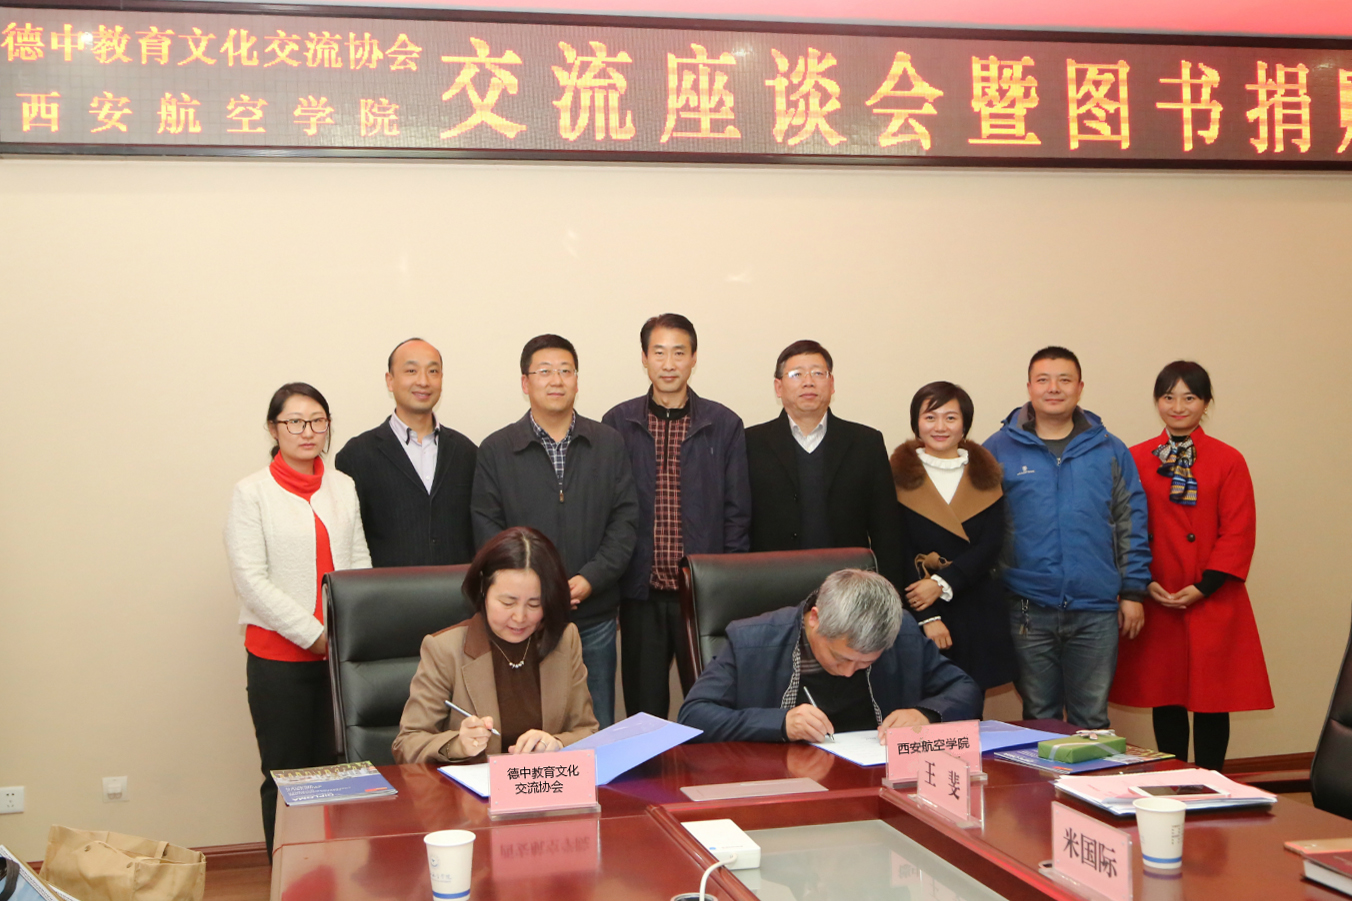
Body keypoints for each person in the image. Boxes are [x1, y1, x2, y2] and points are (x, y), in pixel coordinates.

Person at [224, 383, 371, 856]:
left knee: (339, 773)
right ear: (274, 429)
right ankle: (289, 877)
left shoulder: (343, 486)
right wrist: (313, 634)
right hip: (279, 659)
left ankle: (335, 871)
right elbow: (250, 579)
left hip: (340, 658)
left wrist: (350, 630)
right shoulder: (252, 493)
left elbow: (359, 560)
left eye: (317, 421)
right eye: (294, 421)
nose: (307, 431)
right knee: (287, 776)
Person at [1111, 361, 1273, 770]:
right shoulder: (1135, 458)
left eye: (1190, 397)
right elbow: (1122, 525)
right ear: (1157, 401)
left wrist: (1205, 586)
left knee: (1213, 698)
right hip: (1158, 593)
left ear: (1206, 403)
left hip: (1213, 596)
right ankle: (1174, 780)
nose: (1178, 406)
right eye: (1169, 397)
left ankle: (1212, 780)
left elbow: (1238, 530)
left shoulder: (1228, 459)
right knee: (1165, 695)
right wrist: (1142, 581)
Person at [471, 334, 638, 728]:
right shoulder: (496, 449)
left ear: (577, 380)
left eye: (566, 370)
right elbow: (487, 529)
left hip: (593, 615)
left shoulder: (608, 443)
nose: (556, 380)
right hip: (522, 619)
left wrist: (591, 578)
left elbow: (625, 520)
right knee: (525, 727)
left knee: (593, 726)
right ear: (525, 382)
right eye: (544, 371)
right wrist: (535, 589)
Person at [983, 347, 1150, 729]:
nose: (1053, 388)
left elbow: (1131, 520)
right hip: (1027, 607)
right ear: (1029, 387)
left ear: (1080, 387)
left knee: (1091, 719)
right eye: (1043, 380)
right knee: (1039, 719)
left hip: (1096, 609)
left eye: (1064, 380)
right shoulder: (998, 449)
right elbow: (982, 529)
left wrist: (1133, 592)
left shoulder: (1110, 449)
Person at [602, 314, 751, 719]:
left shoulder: (723, 424)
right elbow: (607, 511)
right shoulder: (617, 423)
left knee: (713, 708)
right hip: (640, 595)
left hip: (702, 597)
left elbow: (737, 515)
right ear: (644, 359)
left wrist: (727, 588)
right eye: (659, 353)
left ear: (694, 358)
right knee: (644, 713)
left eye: (679, 353)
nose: (669, 364)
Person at [677, 569, 982, 743]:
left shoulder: (902, 633)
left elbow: (966, 689)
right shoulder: (751, 640)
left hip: (875, 778)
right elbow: (694, 715)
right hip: (784, 783)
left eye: (865, 663)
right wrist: (779, 723)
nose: (849, 672)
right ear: (815, 619)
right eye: (840, 658)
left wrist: (925, 714)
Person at [393, 527, 600, 763]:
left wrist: (558, 744)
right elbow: (407, 744)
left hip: (541, 782)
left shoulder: (565, 640)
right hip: (472, 786)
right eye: (508, 603)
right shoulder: (445, 649)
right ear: (484, 591)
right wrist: (457, 745)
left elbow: (588, 732)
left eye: (534, 604)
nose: (520, 617)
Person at [745, 340, 905, 588]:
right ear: (778, 387)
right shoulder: (749, 443)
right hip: (772, 584)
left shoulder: (866, 442)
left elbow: (886, 528)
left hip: (848, 587)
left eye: (818, 373)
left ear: (831, 384)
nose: (808, 382)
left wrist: (889, 592)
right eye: (797, 374)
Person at [890, 382, 1016, 691]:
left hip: (976, 605)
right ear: (916, 423)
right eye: (930, 417)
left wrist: (943, 583)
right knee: (922, 702)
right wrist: (928, 616)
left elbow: (991, 544)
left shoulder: (986, 475)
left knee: (970, 700)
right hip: (918, 606)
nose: (940, 427)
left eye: (950, 418)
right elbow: (896, 549)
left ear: (964, 424)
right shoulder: (894, 478)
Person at [334, 338, 477, 567]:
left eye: (433, 371)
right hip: (386, 588)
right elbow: (350, 543)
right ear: (390, 381)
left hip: (456, 587)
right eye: (411, 370)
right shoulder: (356, 456)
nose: (423, 381)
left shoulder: (467, 453)